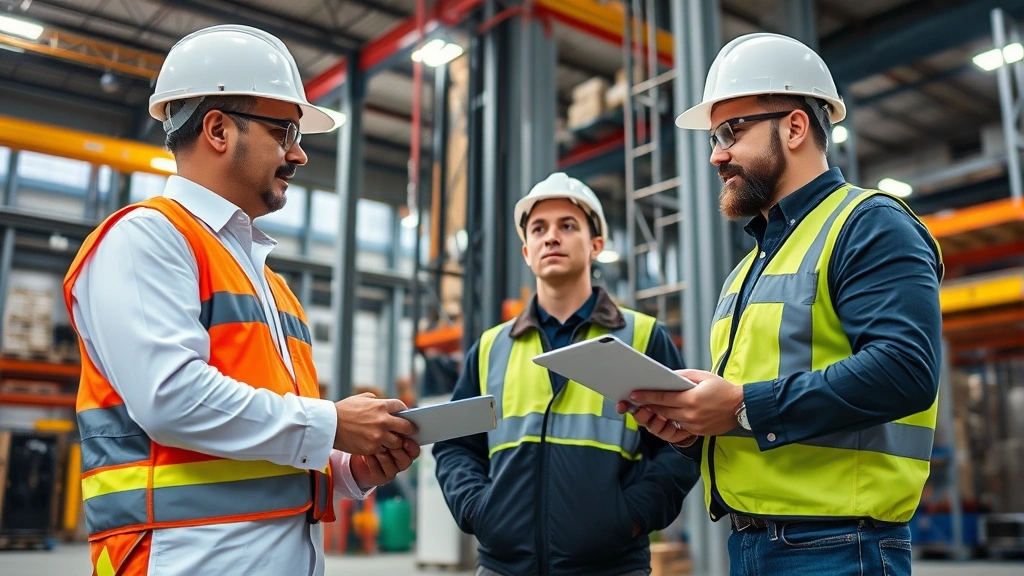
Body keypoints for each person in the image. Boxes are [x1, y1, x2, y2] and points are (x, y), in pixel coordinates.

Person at [62, 25, 419, 576]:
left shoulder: (268, 283)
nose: (298, 154)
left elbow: (267, 440)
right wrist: (330, 423)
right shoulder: (147, 238)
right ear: (218, 129)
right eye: (285, 132)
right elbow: (171, 398)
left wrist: (350, 468)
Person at [619, 33, 943, 576]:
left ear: (794, 126)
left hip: (841, 548)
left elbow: (905, 369)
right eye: (715, 137)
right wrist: (695, 424)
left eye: (732, 130)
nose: (717, 153)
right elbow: (754, 410)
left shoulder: (867, 223)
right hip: (753, 544)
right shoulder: (748, 269)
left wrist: (743, 405)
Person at [433, 173, 700, 576]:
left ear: (596, 245)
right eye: (539, 228)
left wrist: (628, 515)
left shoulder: (641, 337)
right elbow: (455, 446)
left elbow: (682, 446)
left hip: (611, 566)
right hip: (504, 566)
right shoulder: (490, 348)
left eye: (567, 226)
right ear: (526, 251)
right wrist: (479, 511)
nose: (551, 237)